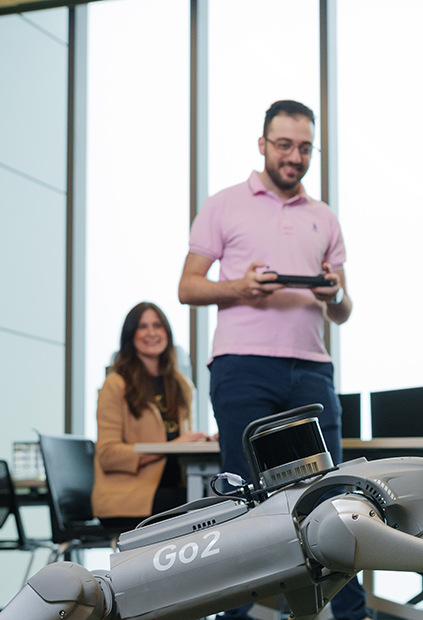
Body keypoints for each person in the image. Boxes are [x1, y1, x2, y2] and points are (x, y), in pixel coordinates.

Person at [177, 100, 364, 620]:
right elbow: (187, 286)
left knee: (331, 494)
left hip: (311, 367)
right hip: (242, 366)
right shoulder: (224, 204)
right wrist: (241, 287)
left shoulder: (324, 218)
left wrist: (332, 293)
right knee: (243, 500)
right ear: (262, 144)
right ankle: (237, 615)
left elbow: (345, 310)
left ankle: (353, 615)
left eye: (305, 147)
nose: (295, 156)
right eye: (284, 145)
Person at [92, 302, 209, 530]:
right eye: (143, 326)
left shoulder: (180, 385)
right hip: (130, 498)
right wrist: (172, 446)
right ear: (130, 335)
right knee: (206, 509)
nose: (152, 333)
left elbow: (184, 445)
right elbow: (107, 454)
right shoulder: (115, 385)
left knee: (223, 500)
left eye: (158, 325)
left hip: (174, 488)